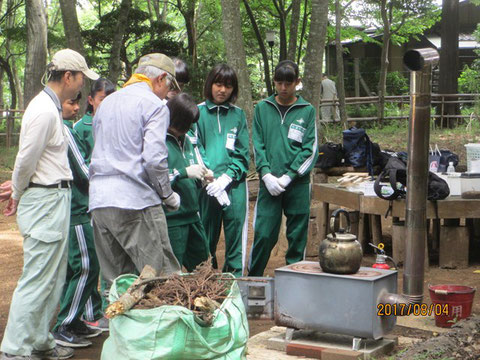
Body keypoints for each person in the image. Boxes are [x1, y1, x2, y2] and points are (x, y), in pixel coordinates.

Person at [0, 48, 98, 360]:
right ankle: (15, 349)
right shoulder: (43, 110)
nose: (82, 84)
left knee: (54, 277)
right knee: (38, 275)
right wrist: (17, 192)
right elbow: (25, 160)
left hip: (56, 199)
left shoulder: (52, 109)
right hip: (44, 198)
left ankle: (41, 341)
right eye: (81, 77)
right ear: (68, 76)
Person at [88, 53, 182, 290]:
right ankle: (165, 328)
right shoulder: (154, 105)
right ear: (161, 78)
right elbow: (153, 159)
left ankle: (117, 328)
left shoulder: (106, 104)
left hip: (100, 202)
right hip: (135, 202)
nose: (167, 93)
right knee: (160, 281)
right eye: (169, 85)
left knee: (117, 286)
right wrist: (167, 195)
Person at [248, 60, 318, 277]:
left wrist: (290, 176)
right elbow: (257, 143)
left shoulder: (307, 110)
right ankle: (254, 278)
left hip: (297, 185)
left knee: (297, 235)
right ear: (274, 82)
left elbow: (311, 149)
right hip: (269, 183)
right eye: (279, 83)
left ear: (297, 82)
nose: (284, 88)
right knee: (264, 233)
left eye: (289, 83)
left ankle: (294, 279)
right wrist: (266, 174)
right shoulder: (262, 108)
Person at [50, 93, 104, 348]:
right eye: (71, 103)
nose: (75, 108)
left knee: (77, 267)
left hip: (72, 207)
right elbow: (82, 169)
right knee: (87, 265)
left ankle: (74, 320)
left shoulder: (63, 128)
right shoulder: (65, 130)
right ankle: (65, 323)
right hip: (79, 207)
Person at [195, 64, 249, 276]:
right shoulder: (197, 112)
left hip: (233, 187)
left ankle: (234, 284)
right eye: (218, 84)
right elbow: (195, 147)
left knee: (235, 235)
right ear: (210, 85)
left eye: (228, 86)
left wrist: (227, 178)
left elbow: (243, 153)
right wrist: (209, 178)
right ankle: (206, 283)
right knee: (206, 238)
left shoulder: (238, 115)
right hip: (206, 187)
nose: (222, 90)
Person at [72, 78, 115, 332]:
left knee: (110, 255)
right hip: (88, 199)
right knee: (92, 256)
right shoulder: (81, 127)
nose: (106, 104)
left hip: (113, 197)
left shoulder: (116, 122)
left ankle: (108, 306)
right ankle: (90, 312)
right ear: (91, 100)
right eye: (101, 99)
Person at [164, 93, 210, 271]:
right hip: (172, 219)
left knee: (203, 269)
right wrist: (183, 173)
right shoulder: (158, 141)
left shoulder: (188, 139)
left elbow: (197, 166)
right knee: (171, 274)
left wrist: (203, 177)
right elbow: (154, 178)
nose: (188, 127)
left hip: (193, 214)